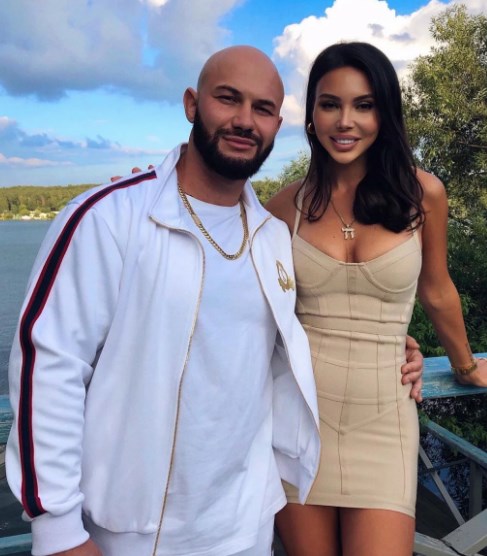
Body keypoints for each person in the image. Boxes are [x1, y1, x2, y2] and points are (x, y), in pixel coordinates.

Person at [7, 45, 422, 556]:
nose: (245, 120)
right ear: (191, 104)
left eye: (263, 109)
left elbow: (300, 332)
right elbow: (48, 366)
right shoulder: (111, 218)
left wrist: (397, 343)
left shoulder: (272, 236)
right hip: (129, 535)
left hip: (246, 528)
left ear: (278, 125)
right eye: (228, 99)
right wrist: (58, 530)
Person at [266, 42, 487, 556]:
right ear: (312, 115)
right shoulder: (283, 207)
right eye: (330, 104)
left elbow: (436, 289)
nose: (345, 121)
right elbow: (250, 305)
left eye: (363, 105)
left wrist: (465, 366)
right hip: (297, 421)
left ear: (384, 113)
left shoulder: (423, 194)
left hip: (385, 418)